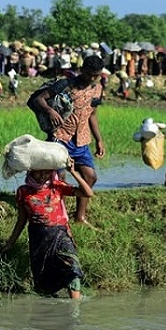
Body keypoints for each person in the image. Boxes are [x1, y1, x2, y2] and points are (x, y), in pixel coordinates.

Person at [2, 158, 93, 299]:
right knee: (43, 277)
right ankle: (50, 307)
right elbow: (22, 220)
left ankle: (75, 305)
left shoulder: (57, 186)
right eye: (39, 173)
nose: (42, 176)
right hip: (38, 237)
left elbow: (88, 193)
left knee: (72, 265)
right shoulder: (23, 191)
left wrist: (73, 172)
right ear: (30, 172)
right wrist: (11, 242)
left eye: (46, 172)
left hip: (61, 234)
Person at [32, 54, 105, 226]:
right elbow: (39, 99)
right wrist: (50, 111)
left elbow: (92, 115)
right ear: (82, 70)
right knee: (59, 177)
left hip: (82, 139)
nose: (92, 78)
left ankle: (80, 217)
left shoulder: (98, 89)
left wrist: (99, 140)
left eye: (96, 75)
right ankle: (58, 215)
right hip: (60, 136)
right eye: (89, 74)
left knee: (91, 177)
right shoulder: (65, 84)